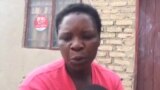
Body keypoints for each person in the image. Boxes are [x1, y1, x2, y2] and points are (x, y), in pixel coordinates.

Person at [19, 3, 123, 90]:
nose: (76, 45)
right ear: (58, 42)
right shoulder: (36, 84)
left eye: (87, 36)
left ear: (99, 40)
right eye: (66, 38)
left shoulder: (112, 82)